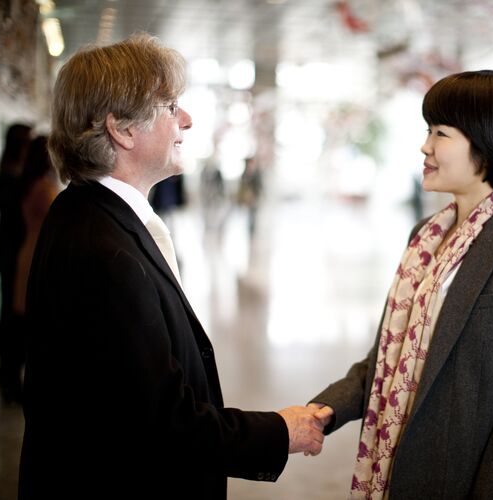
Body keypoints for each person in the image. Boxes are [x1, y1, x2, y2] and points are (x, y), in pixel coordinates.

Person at [19, 34, 325, 500]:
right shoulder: (104, 252)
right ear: (121, 129)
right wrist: (281, 432)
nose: (186, 119)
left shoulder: (87, 212)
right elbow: (161, 422)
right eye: (169, 106)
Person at [309, 70, 493, 499]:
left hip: (455, 481)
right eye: (428, 130)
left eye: (441, 133)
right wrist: (321, 411)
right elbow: (384, 362)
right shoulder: (424, 236)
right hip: (389, 469)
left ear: (489, 143)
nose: (425, 146)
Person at [7, 136, 61, 400]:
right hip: (37, 255)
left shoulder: (30, 184)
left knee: (25, 320)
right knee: (34, 323)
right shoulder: (44, 188)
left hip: (26, 251)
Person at [0, 122, 32, 404]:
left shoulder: (12, 174)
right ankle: (8, 376)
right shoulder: (11, 176)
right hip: (11, 253)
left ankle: (9, 374)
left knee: (13, 314)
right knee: (10, 317)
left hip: (12, 252)